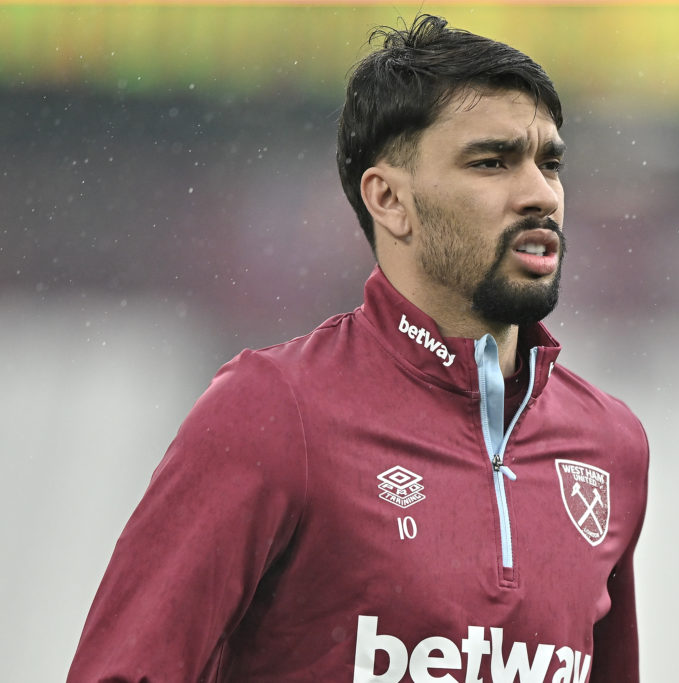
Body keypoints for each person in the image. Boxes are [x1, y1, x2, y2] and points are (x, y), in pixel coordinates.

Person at [68, 14, 649, 683]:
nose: (540, 194)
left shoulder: (610, 447)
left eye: (550, 162)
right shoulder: (273, 411)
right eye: (491, 162)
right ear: (390, 200)